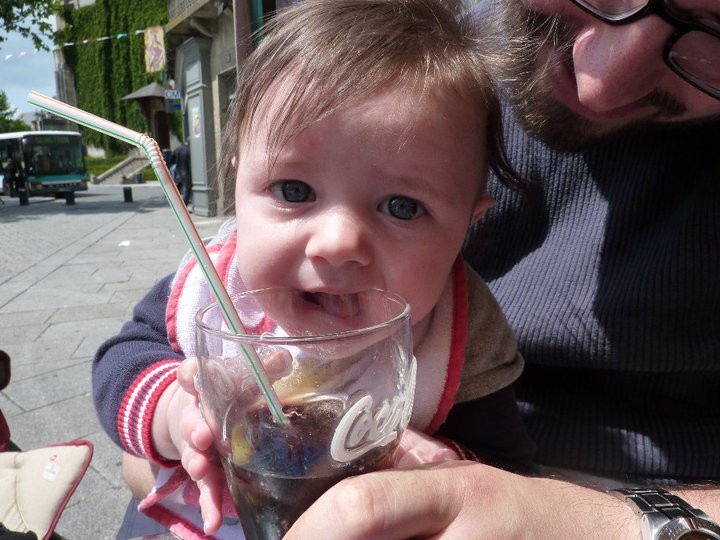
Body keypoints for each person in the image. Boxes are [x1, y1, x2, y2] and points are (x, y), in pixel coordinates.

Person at [92, 0, 537, 537]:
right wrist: (173, 415)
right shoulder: (214, 288)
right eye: (294, 191)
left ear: (468, 225)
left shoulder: (461, 332)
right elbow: (120, 363)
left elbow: (507, 468)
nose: (338, 244)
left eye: (402, 207)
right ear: (237, 180)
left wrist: (444, 468)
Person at [284, 0, 720, 538]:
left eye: (714, 30)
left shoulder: (473, 337)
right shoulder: (402, 54)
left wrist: (623, 525)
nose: (599, 85)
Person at [173, 139, 192, 206]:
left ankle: (179, 203)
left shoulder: (178, 148)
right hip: (187, 172)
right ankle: (183, 206)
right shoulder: (189, 150)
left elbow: (172, 159)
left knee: (181, 188)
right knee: (187, 189)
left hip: (178, 171)